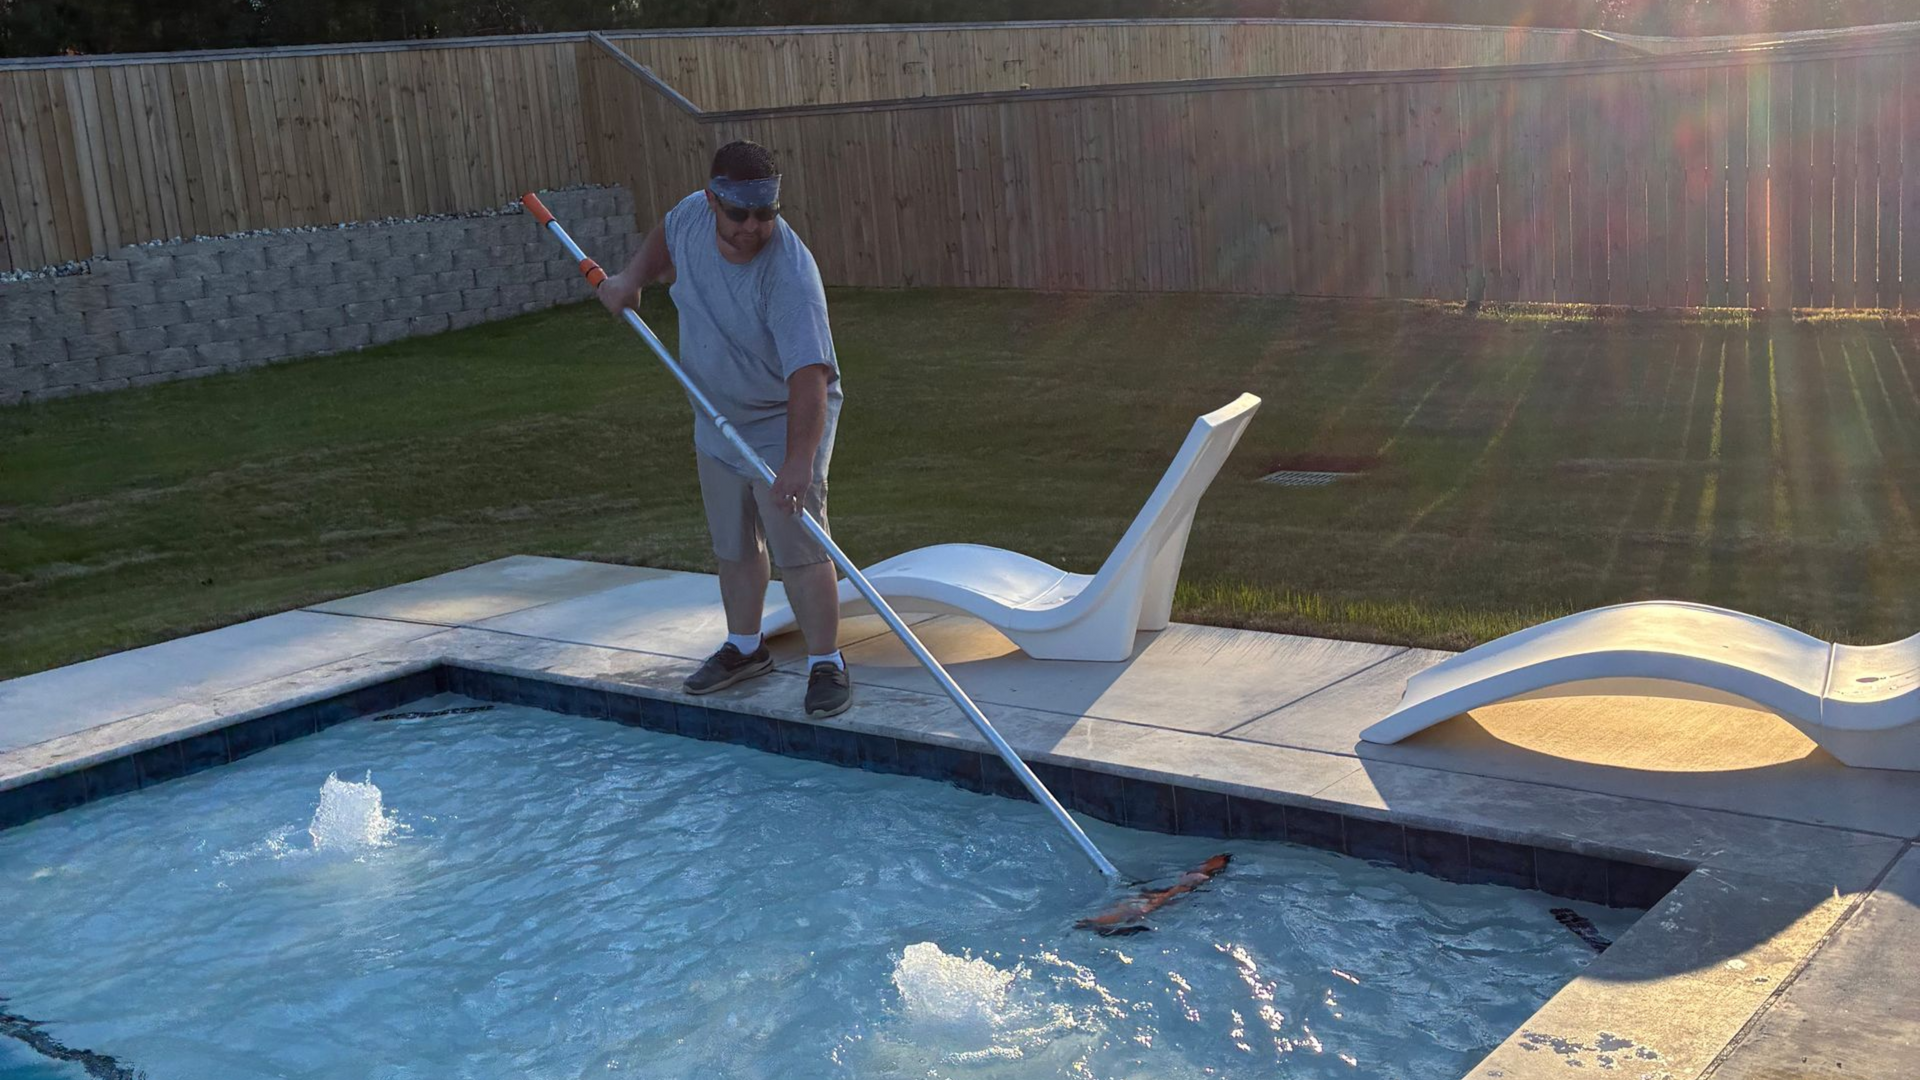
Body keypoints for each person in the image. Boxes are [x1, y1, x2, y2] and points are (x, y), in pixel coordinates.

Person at [596, 140, 851, 718]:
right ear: (713, 201)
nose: (753, 227)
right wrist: (632, 278)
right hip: (716, 413)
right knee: (733, 541)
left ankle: (826, 662)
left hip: (784, 417)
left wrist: (797, 463)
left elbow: (809, 378)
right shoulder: (692, 215)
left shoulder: (789, 276)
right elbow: (666, 233)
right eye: (739, 213)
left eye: (766, 213)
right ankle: (745, 648)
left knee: (799, 547)